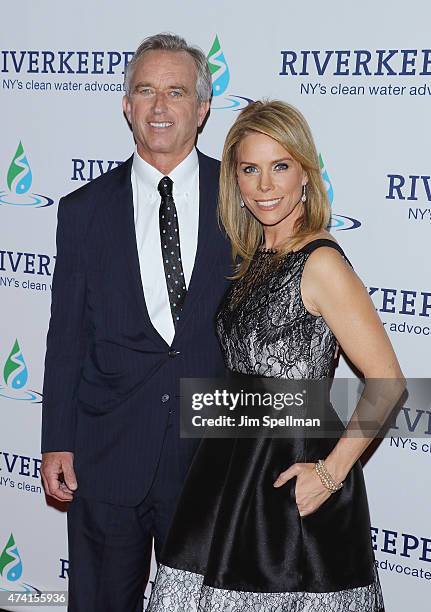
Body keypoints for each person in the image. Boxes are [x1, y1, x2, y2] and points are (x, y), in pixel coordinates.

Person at [147, 100, 404, 611]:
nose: (265, 186)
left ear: (305, 174)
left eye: (280, 166)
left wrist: (329, 475)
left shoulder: (320, 262)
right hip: (229, 473)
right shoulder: (257, 258)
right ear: (235, 181)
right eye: (250, 169)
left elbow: (388, 382)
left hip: (289, 477)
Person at [40, 33, 231, 611]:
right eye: (145, 90)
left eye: (176, 91)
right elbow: (66, 335)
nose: (159, 106)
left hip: (209, 464)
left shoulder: (245, 199)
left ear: (202, 109)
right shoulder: (83, 211)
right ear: (126, 105)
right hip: (106, 456)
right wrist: (56, 441)